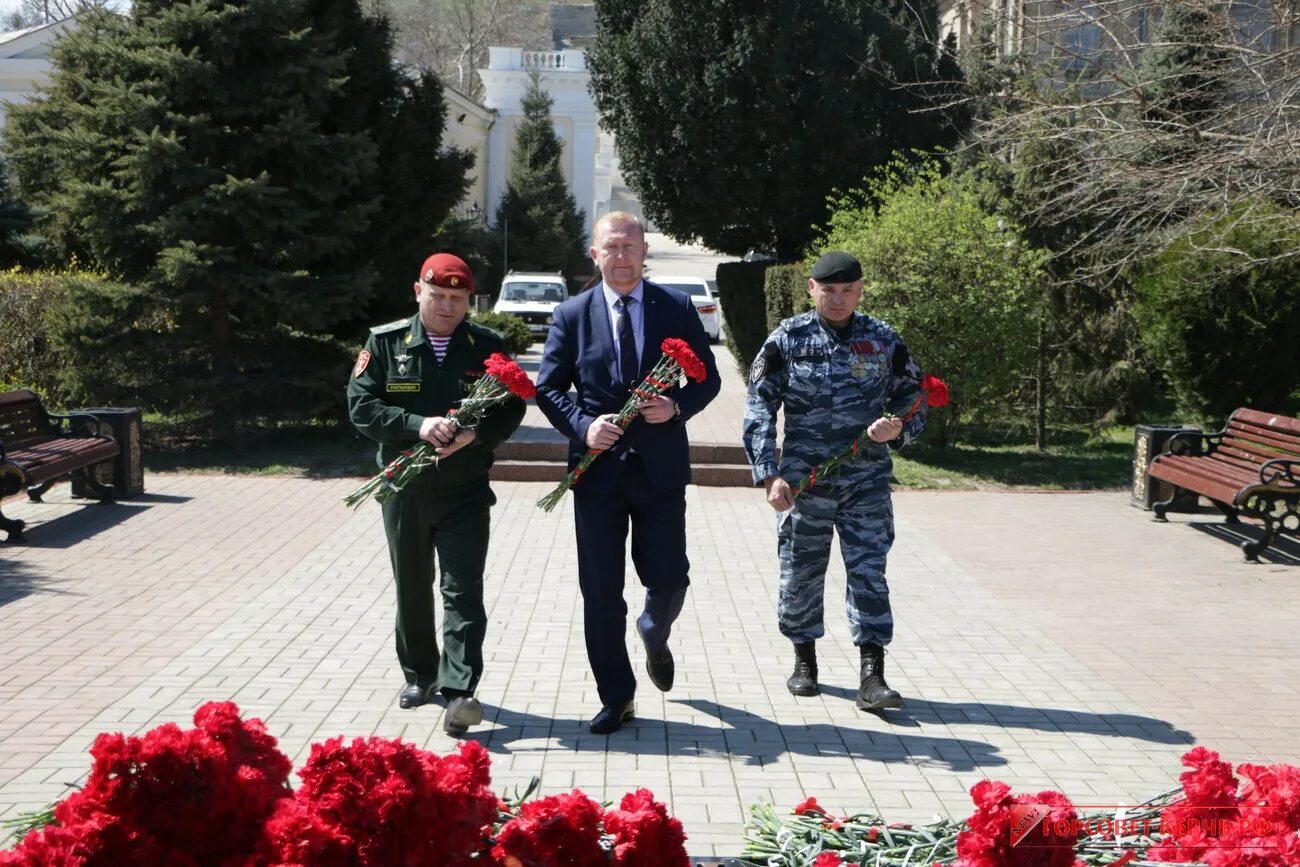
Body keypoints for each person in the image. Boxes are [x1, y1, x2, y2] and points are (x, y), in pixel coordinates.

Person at [535, 212, 722, 734]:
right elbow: (548, 388)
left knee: (669, 575)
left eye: (629, 246)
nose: (620, 257)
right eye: (609, 247)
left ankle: (654, 631)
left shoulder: (676, 307)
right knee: (600, 590)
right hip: (597, 475)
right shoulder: (571, 314)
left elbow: (707, 379)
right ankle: (617, 696)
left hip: (660, 471)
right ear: (593, 255)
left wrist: (677, 406)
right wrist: (581, 425)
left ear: (645, 252)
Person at [347, 253, 526, 733]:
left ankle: (460, 689)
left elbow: (510, 409)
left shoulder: (487, 347)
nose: (447, 306)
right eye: (438, 296)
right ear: (418, 292)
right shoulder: (385, 344)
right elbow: (361, 406)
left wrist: (475, 435)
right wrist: (417, 425)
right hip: (404, 488)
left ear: (470, 299)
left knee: (462, 589)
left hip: (464, 489)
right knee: (412, 583)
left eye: (458, 298)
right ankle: (420, 675)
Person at [742, 251, 928, 712]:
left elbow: (914, 398)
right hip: (805, 483)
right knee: (801, 571)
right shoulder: (788, 339)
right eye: (829, 291)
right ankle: (804, 661)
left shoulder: (883, 340)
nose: (838, 299)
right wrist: (769, 474)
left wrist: (900, 426)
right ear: (811, 288)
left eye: (847, 291)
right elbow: (759, 405)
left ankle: (872, 674)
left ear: (860, 290)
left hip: (865, 480)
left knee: (868, 571)